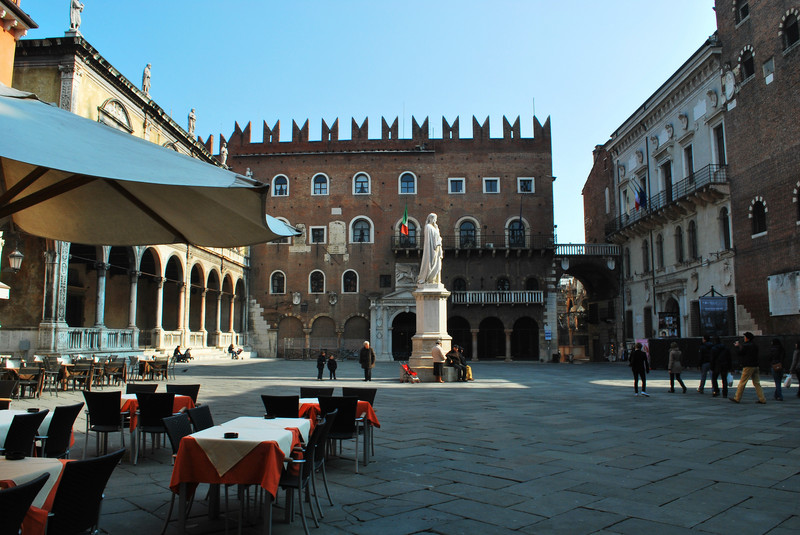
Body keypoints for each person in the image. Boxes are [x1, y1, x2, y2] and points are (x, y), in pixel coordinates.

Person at [730, 332, 766, 404]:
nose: (744, 338)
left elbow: (740, 353)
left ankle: (737, 398)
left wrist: (737, 346)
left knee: (742, 382)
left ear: (747, 338)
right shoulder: (755, 345)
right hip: (755, 365)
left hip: (748, 366)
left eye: (745, 337)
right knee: (757, 383)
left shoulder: (746, 345)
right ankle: (762, 399)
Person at [417, 213, 443, 284]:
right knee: (431, 263)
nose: (435, 220)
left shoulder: (434, 227)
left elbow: (437, 236)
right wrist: (438, 241)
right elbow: (431, 239)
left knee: (437, 266)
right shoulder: (428, 227)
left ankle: (433, 279)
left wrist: (437, 230)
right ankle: (428, 278)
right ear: (430, 218)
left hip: (436, 249)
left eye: (436, 219)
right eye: (434, 218)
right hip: (431, 249)